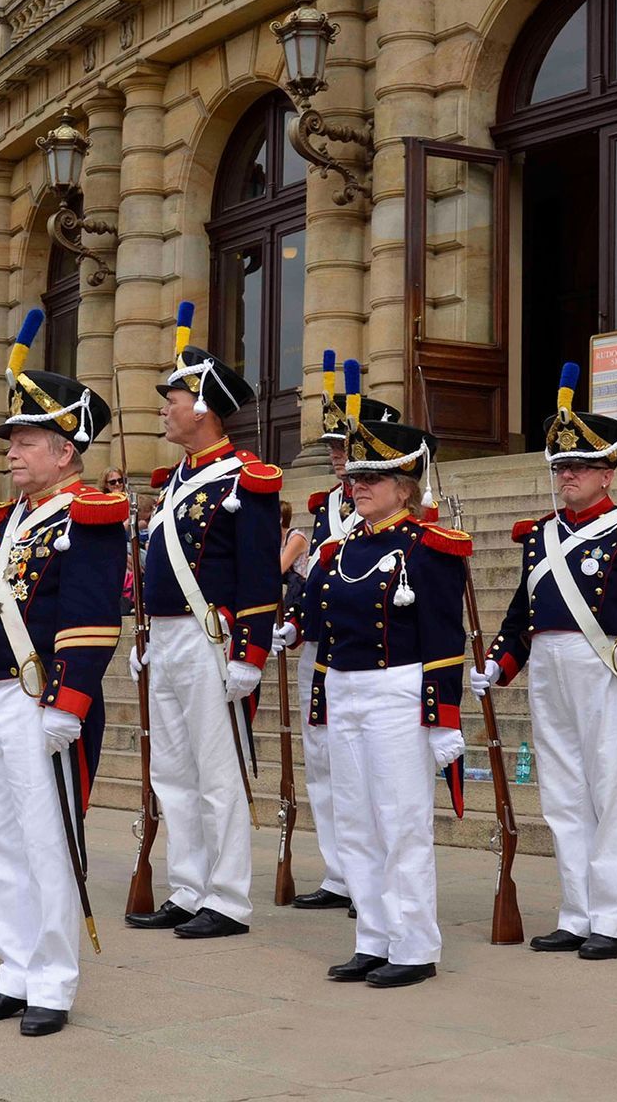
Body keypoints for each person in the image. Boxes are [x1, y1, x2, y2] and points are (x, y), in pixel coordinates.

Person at [0, 314, 126, 1038]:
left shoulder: (88, 515)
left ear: (64, 449)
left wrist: (69, 701)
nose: (11, 451)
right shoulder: (18, 520)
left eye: (25, 441)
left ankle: (51, 982)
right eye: (13, 440)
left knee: (47, 841)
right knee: (1, 841)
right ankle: (15, 971)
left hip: (43, 700)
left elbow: (92, 617)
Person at [476, 364, 617, 961]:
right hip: (548, 670)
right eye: (560, 466)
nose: (566, 475)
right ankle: (576, 912)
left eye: (579, 466)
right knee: (562, 794)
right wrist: (499, 663)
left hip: (605, 668)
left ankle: (611, 921)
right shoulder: (540, 536)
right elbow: (523, 614)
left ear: (607, 472)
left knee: (608, 794)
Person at [125, 301, 281, 940]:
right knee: (172, 770)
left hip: (212, 641)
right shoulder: (175, 481)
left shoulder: (246, 480)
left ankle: (229, 897)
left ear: (205, 408)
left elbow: (259, 576)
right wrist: (147, 636)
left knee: (217, 774)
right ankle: (188, 887)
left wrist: (250, 653)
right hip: (168, 638)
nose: (164, 409)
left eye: (174, 399)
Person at [301, 414, 470, 989]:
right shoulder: (339, 549)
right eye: (356, 477)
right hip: (345, 689)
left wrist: (443, 718)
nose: (358, 486)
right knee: (354, 822)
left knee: (400, 822)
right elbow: (322, 632)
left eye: (372, 477)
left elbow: (444, 640)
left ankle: (414, 945)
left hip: (398, 692)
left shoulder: (428, 549)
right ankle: (373, 938)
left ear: (404, 486)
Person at [276, 355, 403, 915]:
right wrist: (293, 621)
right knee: (324, 761)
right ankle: (340, 872)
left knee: (367, 770)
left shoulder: (397, 508)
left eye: (343, 446)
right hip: (321, 650)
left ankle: (373, 875)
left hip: (369, 652)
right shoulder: (327, 504)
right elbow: (319, 579)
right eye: (331, 447)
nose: (334, 456)